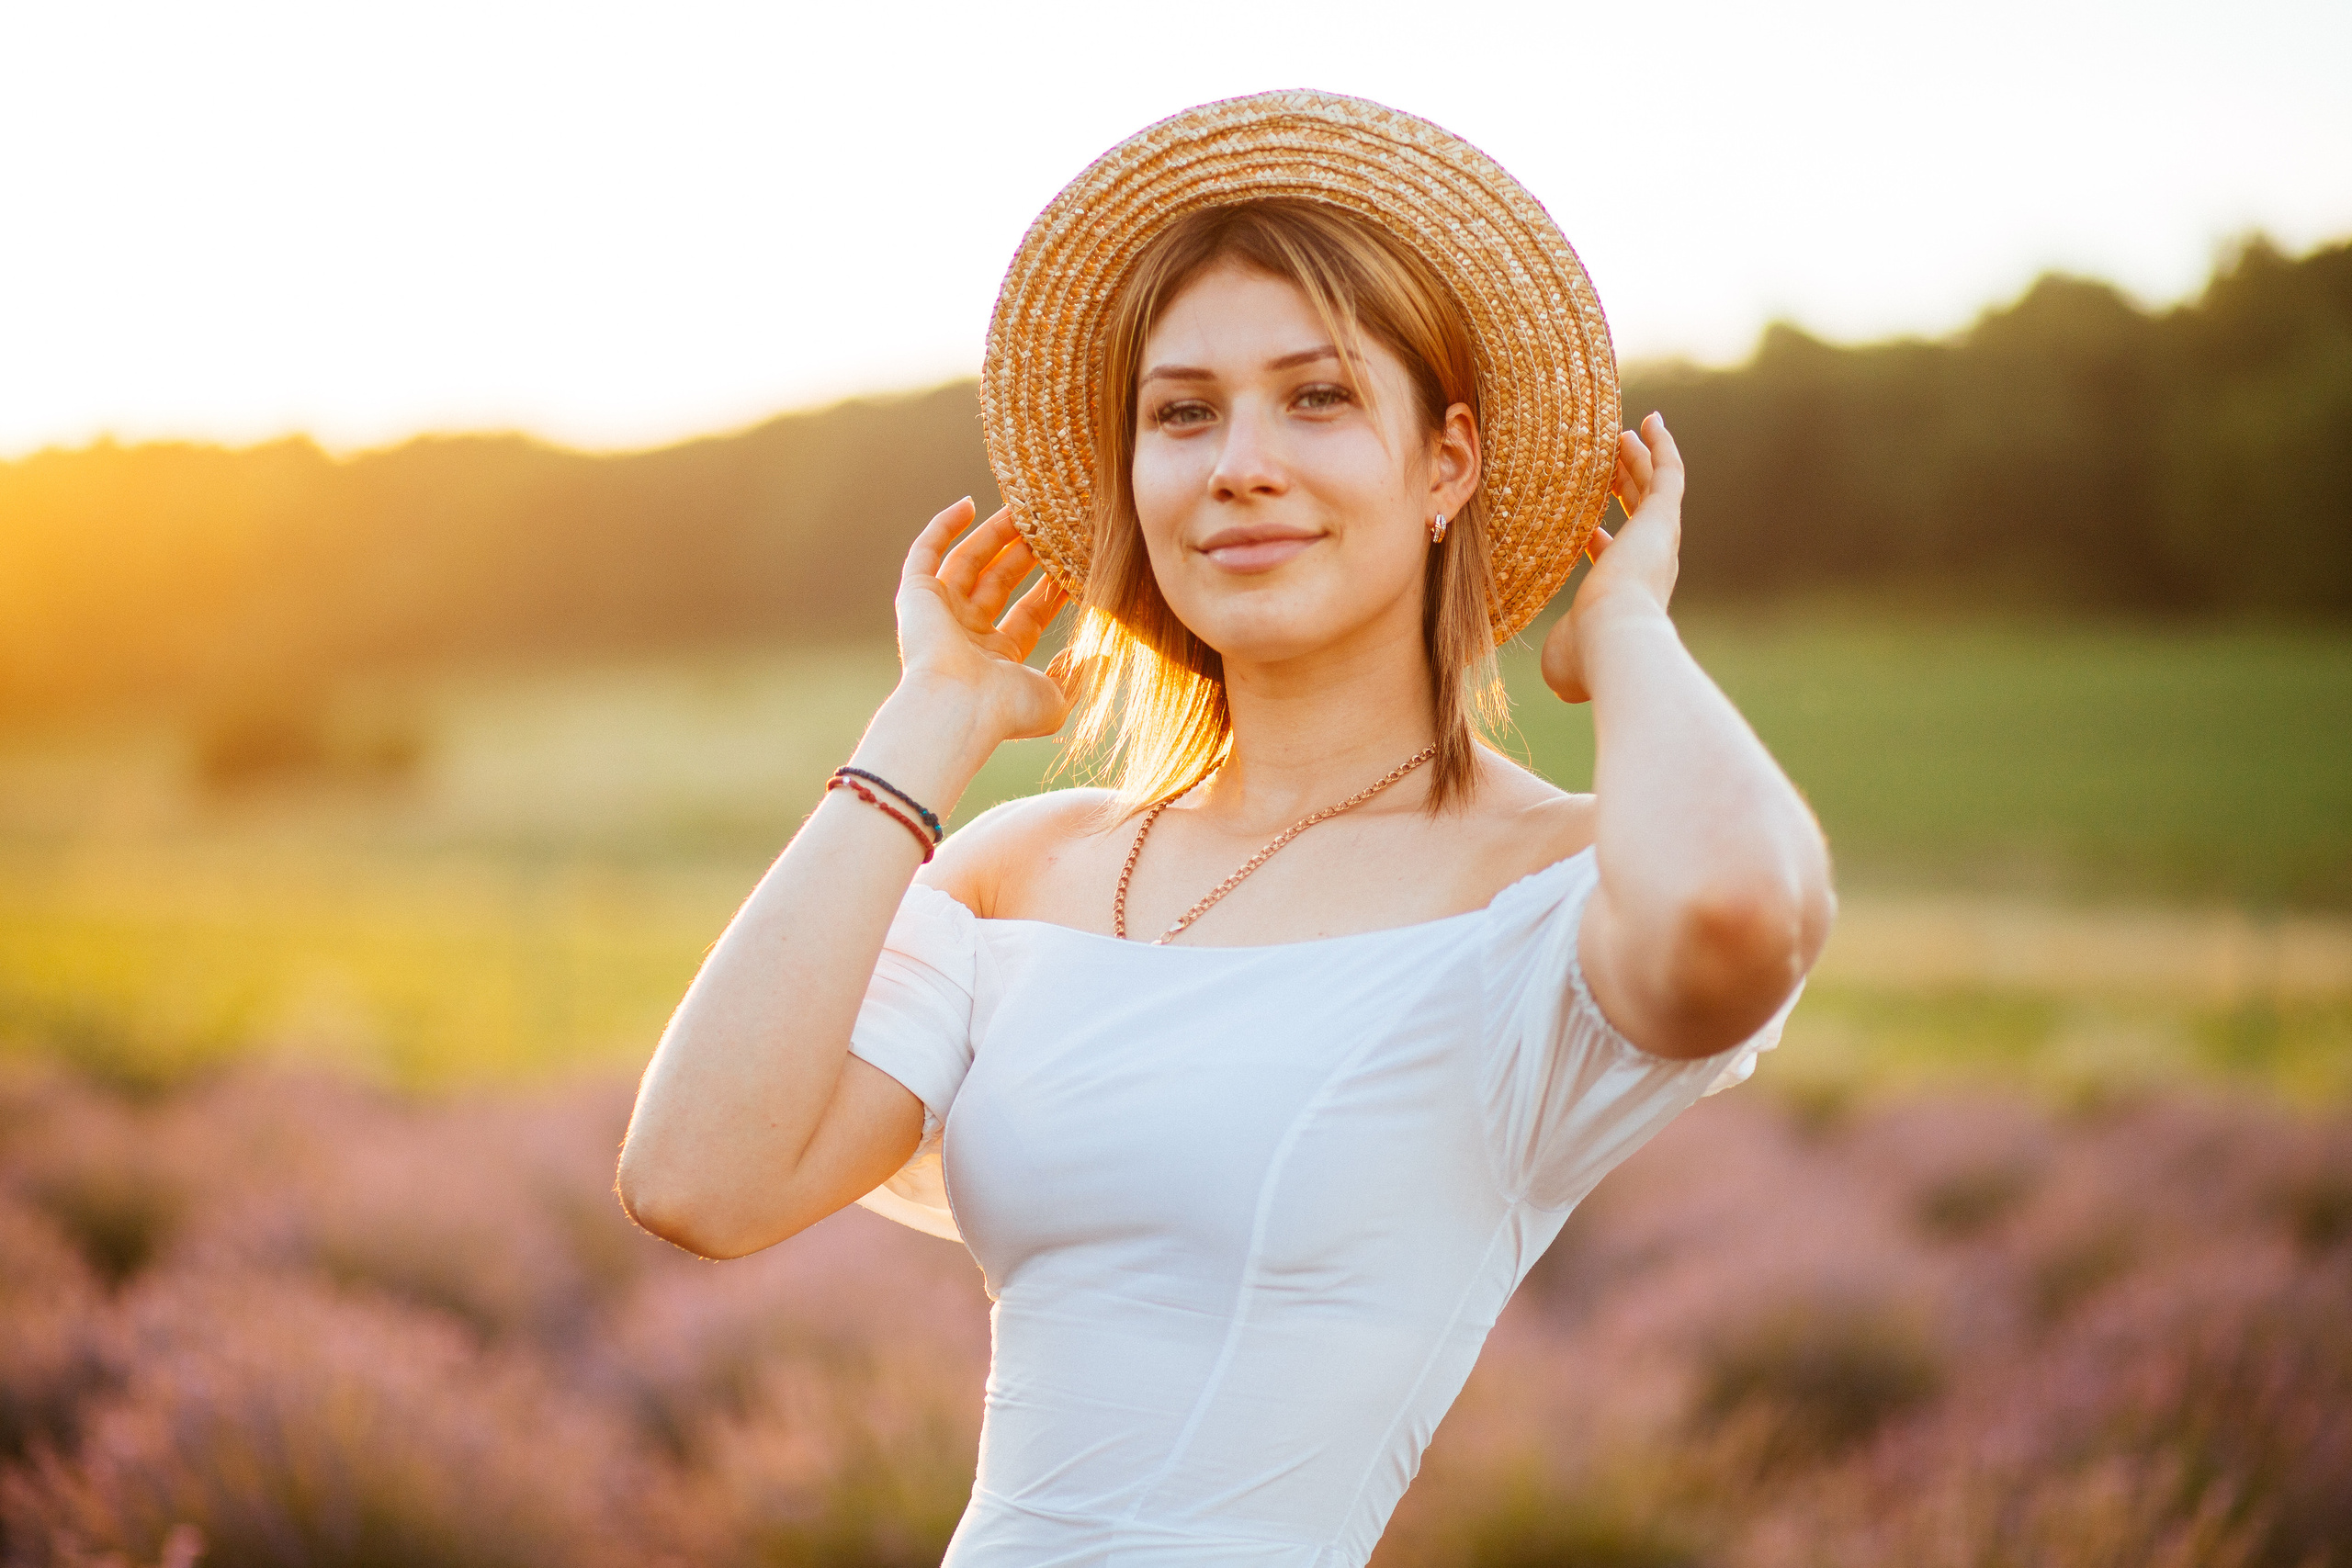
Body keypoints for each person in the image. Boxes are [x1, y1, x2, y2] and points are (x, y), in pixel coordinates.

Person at [618, 91, 1835, 1567]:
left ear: (1447, 463)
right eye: (1182, 412)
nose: (1236, 462)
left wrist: (1625, 629)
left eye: (1317, 398)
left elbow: (1738, 916)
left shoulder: (1544, 894)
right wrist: (927, 724)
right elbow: (696, 1179)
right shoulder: (1024, 870)